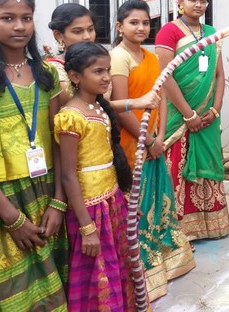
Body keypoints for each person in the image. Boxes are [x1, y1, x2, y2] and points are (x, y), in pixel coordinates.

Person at [110, 0, 195, 301]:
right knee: (138, 205)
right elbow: (122, 109)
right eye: (134, 22)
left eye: (145, 23)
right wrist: (147, 140)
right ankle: (143, 267)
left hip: (154, 139)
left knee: (158, 201)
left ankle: (165, 258)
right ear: (119, 26)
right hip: (132, 144)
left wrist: (160, 136)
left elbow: (161, 98)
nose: (141, 28)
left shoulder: (150, 56)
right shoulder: (118, 58)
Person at [0, 0, 68, 311]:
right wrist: (12, 218)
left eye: (26, 18)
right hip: (4, 201)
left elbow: (57, 141)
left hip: (45, 193)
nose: (19, 26)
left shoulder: (46, 73)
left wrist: (59, 201)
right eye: (7, 18)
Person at [55, 41, 138, 311]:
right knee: (97, 273)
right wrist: (86, 227)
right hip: (89, 209)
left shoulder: (99, 108)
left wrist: (122, 198)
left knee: (117, 266)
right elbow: (68, 175)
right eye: (98, 71)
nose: (106, 77)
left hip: (111, 200)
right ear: (75, 76)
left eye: (108, 70)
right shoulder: (70, 116)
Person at [155, 0, 229, 240]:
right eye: (192, 0)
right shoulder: (168, 32)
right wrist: (188, 114)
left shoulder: (211, 32)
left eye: (203, 1)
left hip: (207, 115)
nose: (198, 5)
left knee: (208, 161)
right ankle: (178, 228)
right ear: (180, 2)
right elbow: (166, 77)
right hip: (179, 115)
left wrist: (216, 109)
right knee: (177, 163)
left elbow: (219, 75)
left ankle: (211, 224)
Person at [48, 3, 159, 111]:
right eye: (78, 31)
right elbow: (89, 106)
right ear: (58, 35)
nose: (87, 36)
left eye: (90, 29)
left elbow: (104, 104)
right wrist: (134, 103)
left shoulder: (100, 61)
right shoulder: (55, 70)